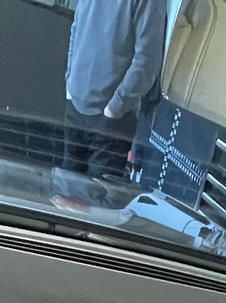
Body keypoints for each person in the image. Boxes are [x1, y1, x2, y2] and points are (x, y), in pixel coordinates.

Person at [58, 0, 168, 197]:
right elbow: (77, 27)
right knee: (64, 201)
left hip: (111, 121)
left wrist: (117, 106)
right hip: (75, 107)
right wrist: (70, 82)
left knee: (94, 209)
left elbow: (148, 60)